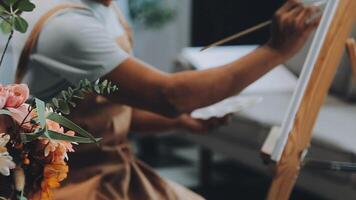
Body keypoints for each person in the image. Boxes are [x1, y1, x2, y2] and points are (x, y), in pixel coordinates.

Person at [11, 0, 321, 199]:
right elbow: (171, 95)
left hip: (115, 171)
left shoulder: (109, 9)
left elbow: (106, 115)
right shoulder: (67, 24)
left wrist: (183, 123)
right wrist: (276, 51)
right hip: (65, 183)